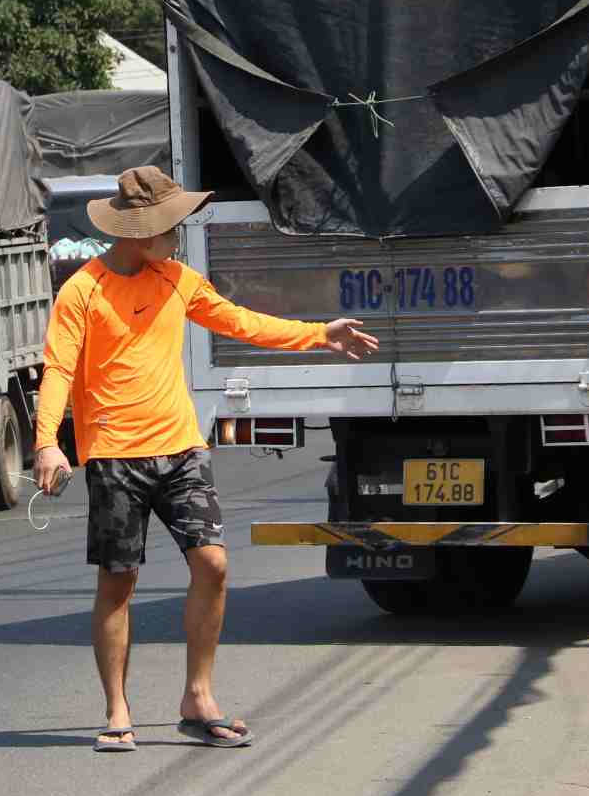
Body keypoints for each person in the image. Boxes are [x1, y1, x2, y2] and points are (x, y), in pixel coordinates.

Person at [32, 166, 378, 753]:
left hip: (182, 450)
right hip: (116, 455)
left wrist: (319, 334)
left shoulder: (176, 280)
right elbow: (59, 368)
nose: (178, 238)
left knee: (213, 565)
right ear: (141, 233)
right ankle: (117, 709)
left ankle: (198, 695)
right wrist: (46, 441)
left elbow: (240, 322)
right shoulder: (82, 292)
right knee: (119, 581)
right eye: (172, 230)